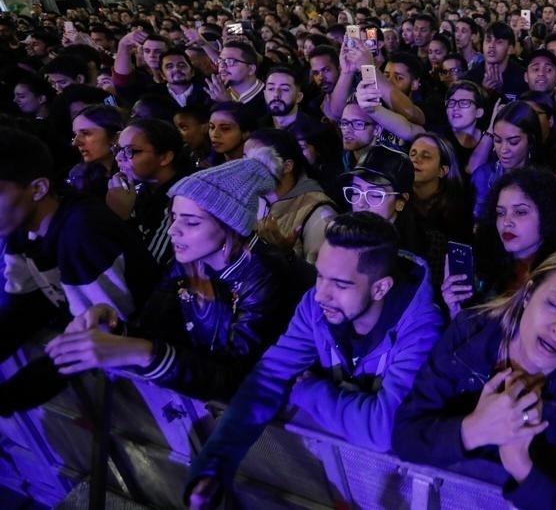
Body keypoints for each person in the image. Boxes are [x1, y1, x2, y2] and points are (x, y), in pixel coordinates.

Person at [185, 212, 442, 507]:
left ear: (381, 287)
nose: (321, 294)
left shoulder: (421, 327)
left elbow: (384, 428)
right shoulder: (314, 306)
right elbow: (268, 379)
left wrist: (311, 392)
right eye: (320, 275)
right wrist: (213, 467)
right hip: (340, 482)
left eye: (340, 284)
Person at [44, 155, 291, 401]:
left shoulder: (265, 276)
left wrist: (142, 352)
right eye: (173, 217)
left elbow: (235, 378)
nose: (173, 230)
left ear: (231, 226)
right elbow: (157, 332)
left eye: (191, 222)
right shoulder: (186, 264)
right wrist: (116, 331)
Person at [393, 248, 556, 509]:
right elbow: (405, 437)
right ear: (528, 294)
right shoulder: (470, 332)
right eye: (555, 304)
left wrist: (521, 465)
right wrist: (474, 429)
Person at [0, 128, 159, 414]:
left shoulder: (81, 232)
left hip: (149, 382)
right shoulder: (21, 229)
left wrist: (7, 400)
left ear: (37, 189)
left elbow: (97, 339)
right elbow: (25, 309)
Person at [444, 167, 556, 318]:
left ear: (547, 215)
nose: (506, 222)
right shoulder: (483, 263)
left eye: (520, 212)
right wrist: (455, 310)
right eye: (500, 213)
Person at [105, 117, 192, 269]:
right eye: (118, 149)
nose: (119, 158)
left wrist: (122, 218)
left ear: (165, 157)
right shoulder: (141, 189)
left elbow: (151, 266)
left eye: (130, 151)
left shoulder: (183, 197)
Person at [244, 129, 337, 265]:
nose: (245, 170)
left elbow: (319, 279)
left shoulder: (319, 213)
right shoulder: (253, 201)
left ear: (287, 166)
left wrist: (285, 254)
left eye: (257, 162)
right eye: (244, 160)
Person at [469, 101, 542, 220]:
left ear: (530, 140)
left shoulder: (542, 180)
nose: (503, 149)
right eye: (497, 140)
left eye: (513, 142)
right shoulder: (482, 176)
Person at [67, 104, 125, 198]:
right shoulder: (78, 177)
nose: (76, 143)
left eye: (86, 133)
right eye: (75, 135)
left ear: (115, 137)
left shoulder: (137, 175)